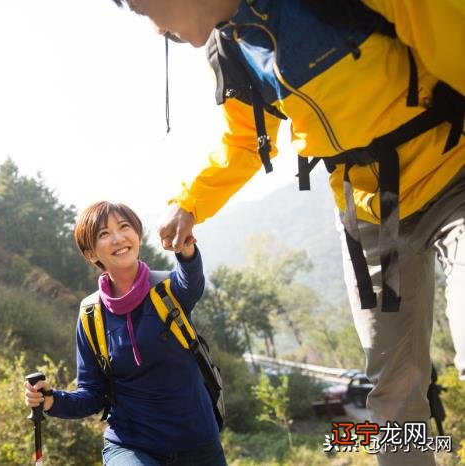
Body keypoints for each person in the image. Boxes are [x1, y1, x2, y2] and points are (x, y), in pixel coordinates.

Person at [109, 1, 464, 465]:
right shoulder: (231, 49)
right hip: (371, 217)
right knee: (393, 389)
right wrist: (191, 203)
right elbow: (246, 141)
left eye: (143, 8)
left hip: (453, 171)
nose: (156, 29)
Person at [23, 201, 226, 466]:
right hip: (131, 447)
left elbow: (192, 283)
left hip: (197, 443)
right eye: (103, 234)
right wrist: (51, 400)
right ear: (90, 252)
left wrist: (186, 249)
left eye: (124, 227)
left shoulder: (168, 290)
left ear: (137, 234)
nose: (118, 238)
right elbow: (92, 394)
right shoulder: (90, 315)